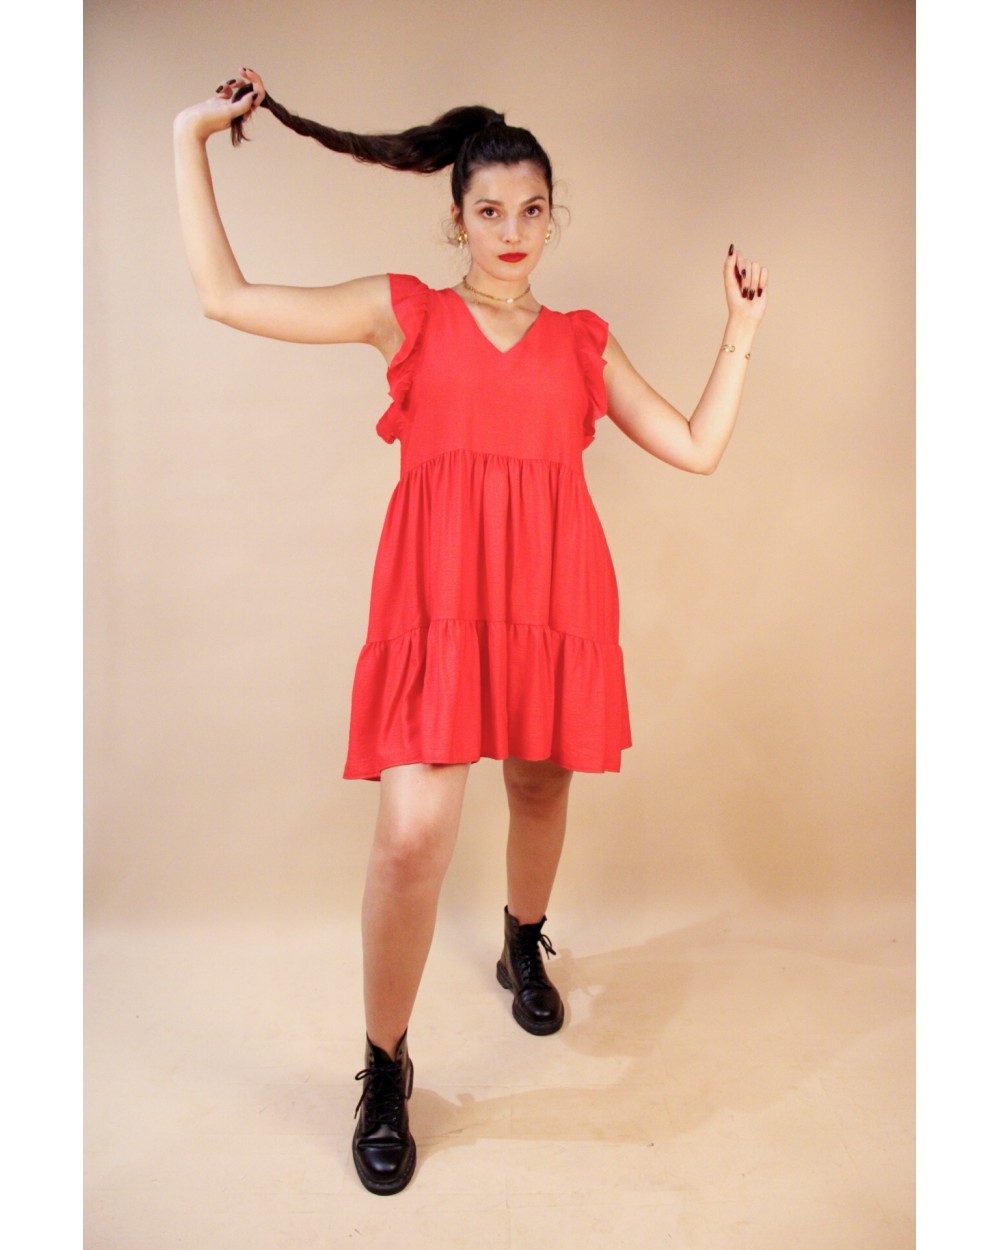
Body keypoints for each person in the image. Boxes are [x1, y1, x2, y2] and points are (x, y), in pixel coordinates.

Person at [173, 68, 769, 1196]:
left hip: (551, 600)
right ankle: (384, 1065)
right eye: (489, 210)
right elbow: (225, 295)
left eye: (531, 209)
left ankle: (520, 937)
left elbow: (695, 446)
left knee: (539, 787)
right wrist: (190, 139)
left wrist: (739, 330)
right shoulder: (406, 311)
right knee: (411, 837)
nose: (511, 231)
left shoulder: (583, 341)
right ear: (455, 217)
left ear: (551, 216)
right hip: (438, 606)